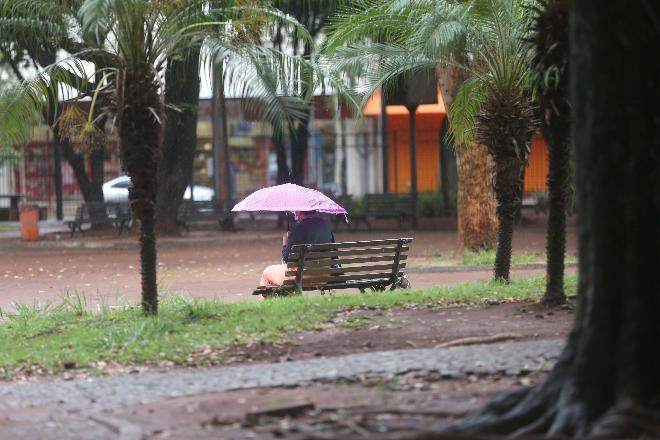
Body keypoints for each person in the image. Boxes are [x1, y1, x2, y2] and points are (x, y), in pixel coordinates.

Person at [259, 210, 335, 286]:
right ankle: (292, 296)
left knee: (267, 272)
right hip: (324, 276)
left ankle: (265, 298)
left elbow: (286, 258)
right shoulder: (326, 226)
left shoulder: (298, 229)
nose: (295, 213)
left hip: (301, 277)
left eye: (296, 212)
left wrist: (285, 243)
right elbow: (333, 251)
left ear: (299, 212)